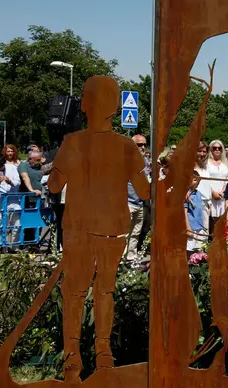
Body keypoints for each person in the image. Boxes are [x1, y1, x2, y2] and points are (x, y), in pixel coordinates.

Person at [48, 76, 150, 383]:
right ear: (117, 107)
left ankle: (72, 358)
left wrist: (59, 162)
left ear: (86, 104)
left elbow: (54, 185)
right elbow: (145, 192)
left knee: (75, 292)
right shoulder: (126, 145)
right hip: (113, 230)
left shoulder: (73, 142)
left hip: (79, 228)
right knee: (105, 290)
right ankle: (104, 355)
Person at [184, 171, 205, 255]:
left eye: (198, 180)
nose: (197, 182)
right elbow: (184, 212)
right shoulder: (186, 195)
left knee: (198, 249)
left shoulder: (198, 193)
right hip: (191, 227)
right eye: (194, 180)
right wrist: (188, 228)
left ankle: (195, 267)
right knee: (189, 250)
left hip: (199, 227)